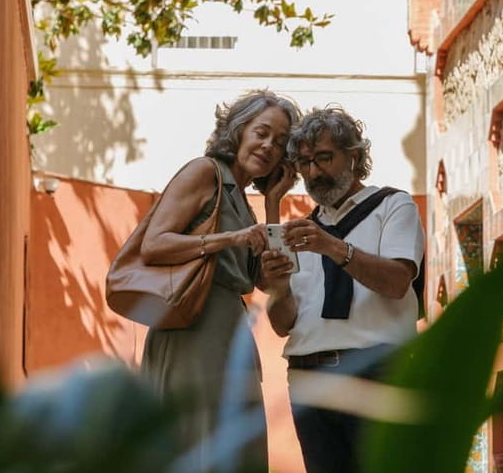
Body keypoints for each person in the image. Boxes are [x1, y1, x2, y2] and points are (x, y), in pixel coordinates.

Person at [139, 89, 299, 472]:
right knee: (197, 443)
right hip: (194, 325)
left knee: (232, 447)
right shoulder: (203, 172)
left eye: (279, 142)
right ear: (239, 129)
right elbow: (154, 245)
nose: (268, 146)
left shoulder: (244, 200)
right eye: (262, 132)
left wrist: (274, 201)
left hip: (230, 329)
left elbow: (262, 278)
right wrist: (231, 238)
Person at [260, 106, 425, 473]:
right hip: (306, 377)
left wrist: (332, 247)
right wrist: (279, 290)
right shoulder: (298, 231)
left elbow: (398, 282)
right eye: (304, 163)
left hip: (376, 370)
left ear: (354, 155)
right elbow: (282, 324)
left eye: (324, 158)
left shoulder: (393, 206)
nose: (314, 172)